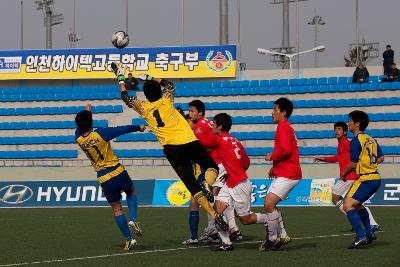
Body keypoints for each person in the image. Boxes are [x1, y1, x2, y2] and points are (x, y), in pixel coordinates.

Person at [110, 62, 229, 232]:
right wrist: (150, 77)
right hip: (188, 140)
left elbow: (125, 97)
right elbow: (170, 84)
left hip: (171, 150)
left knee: (192, 186)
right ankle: (205, 182)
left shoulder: (143, 107)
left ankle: (214, 215)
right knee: (211, 167)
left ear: (145, 95)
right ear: (160, 91)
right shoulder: (167, 99)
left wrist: (120, 77)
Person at [74, 104, 145, 251]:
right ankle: (133, 219)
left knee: (117, 209)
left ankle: (129, 239)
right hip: (117, 171)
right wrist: (139, 127)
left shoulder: (78, 138)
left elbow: (82, 125)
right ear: (91, 122)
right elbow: (123, 129)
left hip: (104, 177)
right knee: (131, 192)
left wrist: (87, 111)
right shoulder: (101, 134)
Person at [196, 113, 269, 251]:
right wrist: (232, 171)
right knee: (217, 209)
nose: (212, 125)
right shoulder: (235, 140)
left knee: (245, 219)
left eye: (214, 123)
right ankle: (226, 243)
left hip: (239, 184)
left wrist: (196, 130)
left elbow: (204, 142)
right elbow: (246, 163)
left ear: (220, 126)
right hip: (231, 182)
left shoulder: (218, 139)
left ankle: (268, 220)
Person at [188, 100, 242, 244]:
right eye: (190, 111)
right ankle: (226, 229)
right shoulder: (204, 124)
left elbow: (211, 142)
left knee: (211, 197)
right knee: (214, 197)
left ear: (200, 112)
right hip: (213, 164)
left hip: (213, 165)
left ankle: (219, 230)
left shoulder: (202, 125)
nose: (190, 113)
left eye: (193, 111)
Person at [314, 121, 380, 231]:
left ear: (345, 132)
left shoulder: (346, 142)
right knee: (357, 203)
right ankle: (372, 224)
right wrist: (324, 158)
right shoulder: (341, 143)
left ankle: (355, 219)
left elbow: (357, 153)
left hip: (348, 176)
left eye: (339, 129)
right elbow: (339, 158)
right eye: (335, 129)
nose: (336, 131)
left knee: (335, 197)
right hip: (351, 176)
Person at [260, 97, 302, 251]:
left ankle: (272, 239)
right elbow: (285, 150)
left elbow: (285, 150)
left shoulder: (283, 127)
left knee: (268, 204)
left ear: (283, 113)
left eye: (275, 110)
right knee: (271, 204)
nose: (272, 113)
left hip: (289, 173)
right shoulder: (285, 126)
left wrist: (272, 157)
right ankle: (282, 236)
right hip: (287, 171)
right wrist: (275, 165)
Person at [342, 111, 384, 249]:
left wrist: (344, 174)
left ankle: (361, 236)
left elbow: (353, 164)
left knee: (347, 205)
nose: (348, 123)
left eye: (350, 121)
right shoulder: (371, 139)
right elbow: (381, 158)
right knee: (358, 205)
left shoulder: (355, 141)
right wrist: (370, 163)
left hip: (366, 178)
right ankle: (370, 233)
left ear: (357, 124)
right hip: (375, 177)